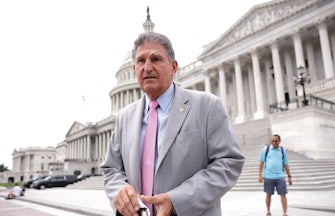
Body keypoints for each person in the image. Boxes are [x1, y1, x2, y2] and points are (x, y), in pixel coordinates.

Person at [100, 32, 244, 216]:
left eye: (156, 59)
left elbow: (229, 162)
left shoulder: (207, 106)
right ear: (135, 68)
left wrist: (177, 201)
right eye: (141, 61)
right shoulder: (124, 117)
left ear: (174, 67)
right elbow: (111, 168)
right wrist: (119, 192)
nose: (147, 67)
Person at [258, 134, 292, 216]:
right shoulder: (266, 149)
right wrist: (259, 175)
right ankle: (268, 211)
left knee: (283, 195)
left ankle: (284, 213)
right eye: (272, 141)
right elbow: (261, 163)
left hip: (280, 176)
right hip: (268, 177)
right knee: (268, 195)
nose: (274, 142)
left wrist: (289, 176)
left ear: (279, 141)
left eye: (276, 141)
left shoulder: (283, 151)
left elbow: (286, 164)